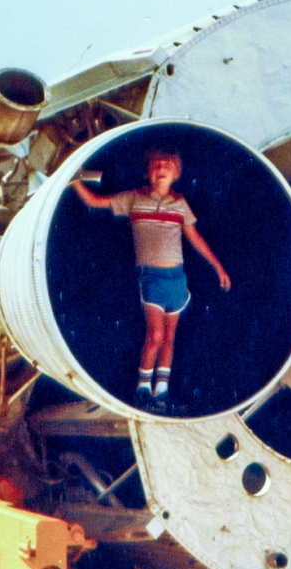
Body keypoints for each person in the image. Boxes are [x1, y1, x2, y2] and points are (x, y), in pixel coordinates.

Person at [71, 150, 231, 412]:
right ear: (148, 173)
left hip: (177, 279)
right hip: (152, 278)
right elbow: (94, 201)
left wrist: (218, 267)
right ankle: (142, 389)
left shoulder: (180, 203)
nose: (161, 168)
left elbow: (195, 238)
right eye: (156, 165)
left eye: (167, 165)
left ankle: (161, 392)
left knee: (169, 338)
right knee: (155, 335)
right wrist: (73, 178)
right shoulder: (134, 198)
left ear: (176, 174)